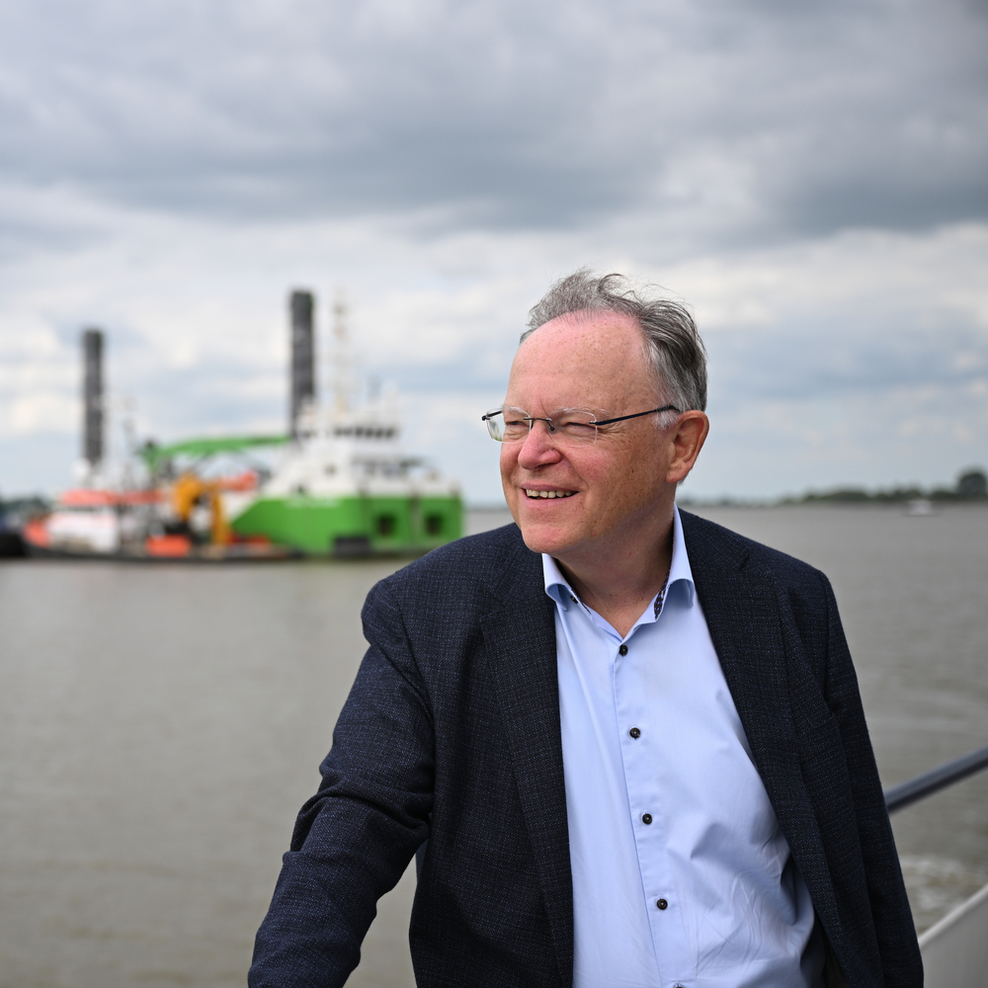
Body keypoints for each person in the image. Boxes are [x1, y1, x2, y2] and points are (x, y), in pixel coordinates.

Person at [249, 270, 922, 987]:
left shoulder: (791, 605)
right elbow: (353, 827)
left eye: (575, 424)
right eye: (516, 422)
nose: (531, 452)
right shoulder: (427, 613)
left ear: (680, 446)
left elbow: (861, 866)